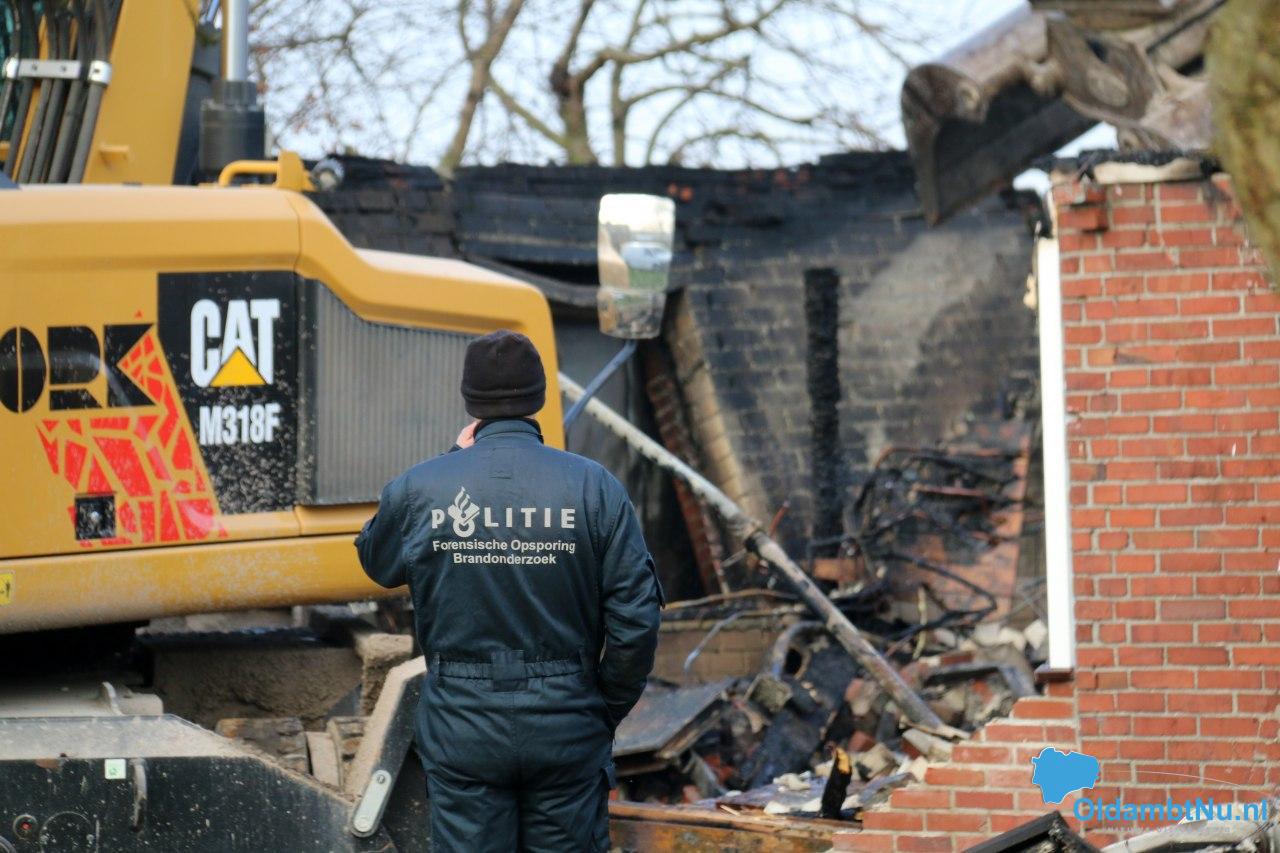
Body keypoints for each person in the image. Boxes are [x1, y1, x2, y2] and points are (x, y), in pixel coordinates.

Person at [355, 329, 663, 852]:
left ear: (470, 400)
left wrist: (455, 457)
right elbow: (636, 622)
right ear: (540, 396)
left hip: (462, 726)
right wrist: (599, 707)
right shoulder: (595, 488)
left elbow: (376, 561)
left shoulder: (422, 487)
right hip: (567, 723)